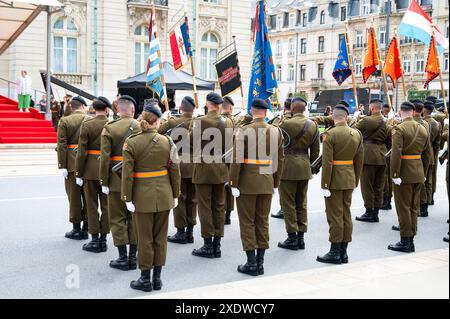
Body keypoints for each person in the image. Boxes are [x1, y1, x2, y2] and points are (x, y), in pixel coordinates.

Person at [122, 100, 180, 292]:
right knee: (160, 238)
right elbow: (175, 170)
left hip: (141, 197)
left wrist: (127, 198)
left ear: (143, 120)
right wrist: (176, 193)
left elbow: (127, 174)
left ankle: (145, 279)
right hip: (164, 195)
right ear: (157, 122)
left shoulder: (132, 142)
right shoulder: (167, 141)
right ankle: (157, 279)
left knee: (144, 238)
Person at [229, 98, 284, 276]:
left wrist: (233, 183)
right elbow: (279, 160)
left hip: (246, 183)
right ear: (266, 112)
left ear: (252, 111)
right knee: (262, 221)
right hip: (267, 181)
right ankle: (260, 263)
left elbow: (236, 160)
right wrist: (275, 182)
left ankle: (251, 263)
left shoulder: (244, 131)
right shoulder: (276, 131)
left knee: (247, 222)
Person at [317, 103, 363, 265]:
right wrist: (355, 179)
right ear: (347, 117)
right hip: (349, 178)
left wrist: (324, 185)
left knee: (335, 216)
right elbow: (359, 161)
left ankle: (335, 252)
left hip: (334, 180)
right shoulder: (356, 133)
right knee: (345, 215)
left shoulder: (330, 134)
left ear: (333, 117)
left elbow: (328, 163)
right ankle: (344, 252)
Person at [189, 92, 233, 259]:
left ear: (207, 104)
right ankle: (217, 244)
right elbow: (230, 148)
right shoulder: (228, 122)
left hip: (203, 169)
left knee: (205, 207)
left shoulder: (199, 121)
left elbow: (189, 144)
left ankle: (208, 245)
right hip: (221, 168)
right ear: (220, 105)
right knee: (219, 206)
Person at [100, 95, 140, 270]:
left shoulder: (110, 128)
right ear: (132, 110)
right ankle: (133, 256)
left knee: (117, 218)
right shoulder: (140, 126)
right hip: (137, 180)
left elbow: (104, 159)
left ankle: (123, 257)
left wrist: (104, 181)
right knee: (134, 219)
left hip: (116, 180)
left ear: (118, 110)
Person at [277, 97, 320, 251]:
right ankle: (301, 237)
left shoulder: (285, 123)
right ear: (305, 109)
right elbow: (316, 150)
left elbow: (276, 143)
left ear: (292, 109)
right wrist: (313, 168)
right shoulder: (313, 125)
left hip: (288, 167)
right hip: (304, 166)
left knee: (288, 203)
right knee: (301, 203)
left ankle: (292, 237)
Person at [388, 101, 431, 253]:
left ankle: (405, 241)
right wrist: (424, 173)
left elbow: (396, 154)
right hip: (418, 172)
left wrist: (395, 174)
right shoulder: (423, 128)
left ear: (400, 112)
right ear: (413, 112)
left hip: (404, 173)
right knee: (414, 207)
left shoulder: (399, 129)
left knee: (403, 207)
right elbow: (428, 154)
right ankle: (411, 238)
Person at [159, 96, 197, 244]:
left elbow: (158, 134)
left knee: (180, 198)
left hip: (179, 165)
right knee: (193, 199)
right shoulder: (199, 122)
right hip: (195, 164)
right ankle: (190, 232)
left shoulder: (173, 122)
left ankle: (181, 232)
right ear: (193, 109)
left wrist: (164, 120)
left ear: (181, 108)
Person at [75, 97, 111, 253]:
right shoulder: (111, 124)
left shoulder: (87, 125)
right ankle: (104, 238)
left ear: (93, 109)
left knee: (91, 205)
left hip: (90, 170)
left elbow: (81, 152)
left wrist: (78, 172)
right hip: (108, 170)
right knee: (106, 206)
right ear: (107, 109)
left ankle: (95, 239)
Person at [57, 96, 90, 240]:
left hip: (71, 163)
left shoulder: (64, 121)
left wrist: (62, 165)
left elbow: (62, 145)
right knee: (89, 197)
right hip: (88, 163)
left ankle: (76, 229)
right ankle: (87, 228)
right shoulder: (90, 119)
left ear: (72, 107)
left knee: (74, 197)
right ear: (83, 106)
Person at [354, 99, 390, 223]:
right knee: (378, 186)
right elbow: (389, 141)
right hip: (382, 155)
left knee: (367, 186)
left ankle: (369, 211)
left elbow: (353, 131)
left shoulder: (367, 120)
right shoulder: (387, 122)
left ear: (372, 108)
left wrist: (356, 118)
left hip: (368, 155)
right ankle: (376, 212)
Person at [271, 97, 293, 219]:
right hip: (300, 158)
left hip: (285, 157)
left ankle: (284, 209)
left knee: (283, 187)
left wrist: (277, 119)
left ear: (285, 107)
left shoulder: (283, 121)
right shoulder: (305, 121)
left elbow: (273, 131)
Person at [411, 100, 432, 218]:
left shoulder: (413, 123)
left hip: (413, 158)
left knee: (418, 186)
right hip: (424, 156)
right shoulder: (425, 123)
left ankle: (420, 208)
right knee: (423, 183)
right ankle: (423, 208)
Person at [220, 96, 236, 225]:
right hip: (232, 159)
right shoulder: (236, 121)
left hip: (218, 159)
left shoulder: (219, 121)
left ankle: (221, 212)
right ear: (230, 108)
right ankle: (228, 214)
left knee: (221, 188)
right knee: (230, 186)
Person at [422, 101, 441, 212]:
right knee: (430, 178)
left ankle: (425, 202)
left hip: (425, 152)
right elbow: (438, 142)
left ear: (424, 110)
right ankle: (430, 198)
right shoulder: (437, 123)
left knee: (424, 179)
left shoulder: (425, 123)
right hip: (432, 153)